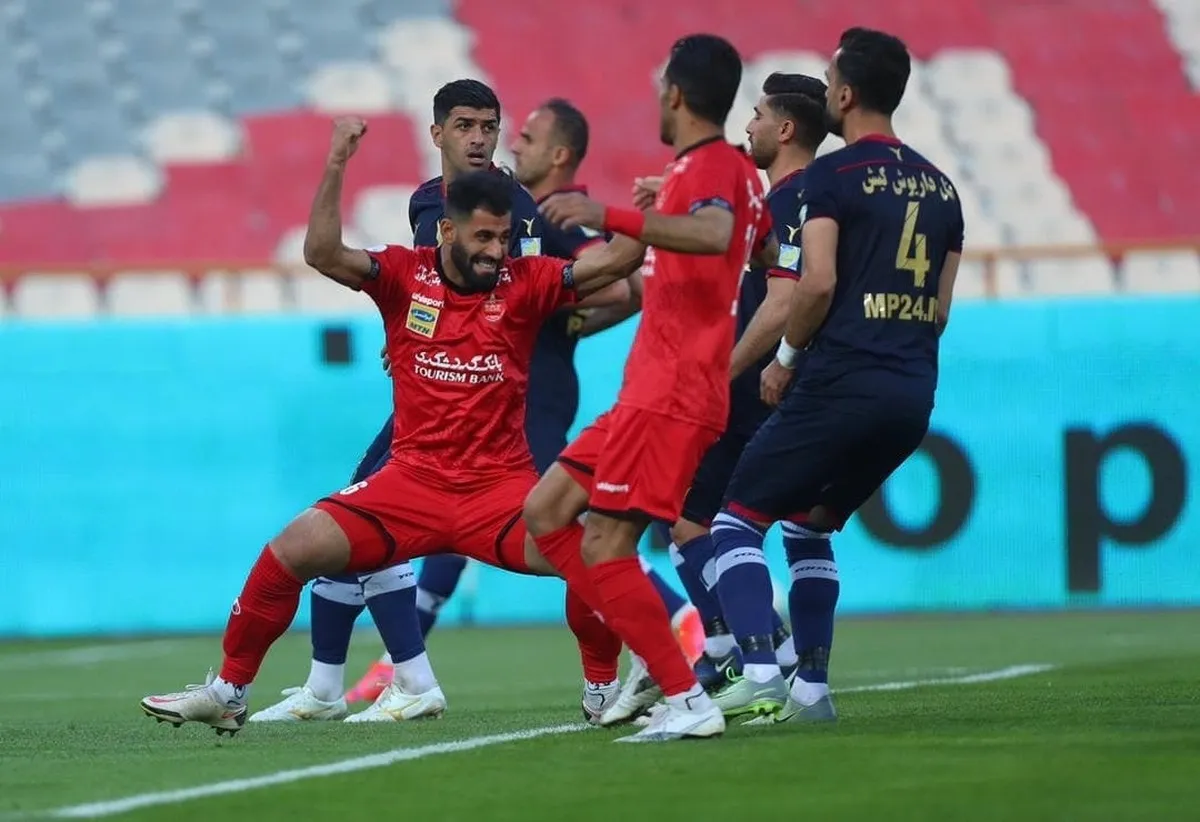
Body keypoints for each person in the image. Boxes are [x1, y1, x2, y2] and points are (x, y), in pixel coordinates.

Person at [139, 122, 645, 735]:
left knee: (592, 554)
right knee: (288, 551)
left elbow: (620, 264)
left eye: (505, 238)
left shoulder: (528, 281)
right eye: (484, 237)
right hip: (410, 485)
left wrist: (631, 213)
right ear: (447, 231)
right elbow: (322, 252)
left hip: (499, 492)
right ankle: (229, 691)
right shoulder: (404, 275)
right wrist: (335, 162)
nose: (497, 252)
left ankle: (601, 686)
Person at [709, 27, 964, 724]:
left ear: (845, 95)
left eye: (828, 81)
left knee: (734, 522)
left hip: (840, 381)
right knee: (808, 529)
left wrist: (785, 361)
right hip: (911, 395)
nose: (824, 90)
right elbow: (939, 311)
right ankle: (812, 692)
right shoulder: (943, 189)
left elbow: (816, 283)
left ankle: (760, 671)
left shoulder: (831, 177)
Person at [525, 33, 771, 743]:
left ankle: (685, 694)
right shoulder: (712, 172)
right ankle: (649, 637)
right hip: (649, 390)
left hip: (673, 392)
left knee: (605, 545)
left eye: (662, 89)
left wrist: (610, 214)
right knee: (547, 510)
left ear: (677, 95)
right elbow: (742, 246)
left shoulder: (716, 167)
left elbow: (716, 235)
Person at [607, 73, 833, 722]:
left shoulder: (790, 197)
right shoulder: (810, 198)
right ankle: (793, 673)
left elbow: (784, 299)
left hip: (754, 384)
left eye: (758, 115)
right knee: (793, 528)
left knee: (688, 515)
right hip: (801, 383)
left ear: (784, 128)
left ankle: (747, 654)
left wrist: (725, 370)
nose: (749, 126)